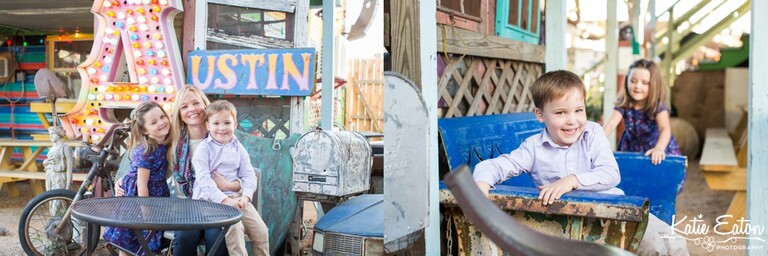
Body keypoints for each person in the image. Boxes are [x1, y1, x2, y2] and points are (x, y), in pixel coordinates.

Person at [473, 70, 689, 256]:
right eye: (560, 113)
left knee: (676, 242)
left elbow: (611, 174)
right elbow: (496, 166)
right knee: (655, 248)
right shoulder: (533, 148)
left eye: (578, 110)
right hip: (579, 225)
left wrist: (573, 180)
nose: (572, 120)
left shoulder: (592, 133)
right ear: (540, 115)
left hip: (615, 208)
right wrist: (481, 185)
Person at [116, 85, 239, 256]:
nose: (192, 109)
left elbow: (242, 174)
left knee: (217, 236)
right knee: (185, 236)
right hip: (187, 208)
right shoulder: (174, 142)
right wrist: (122, 181)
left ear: (205, 105)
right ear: (179, 114)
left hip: (218, 205)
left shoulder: (223, 136)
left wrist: (229, 185)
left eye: (196, 103)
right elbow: (144, 162)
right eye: (184, 106)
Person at [192, 100, 269, 256]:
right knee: (235, 229)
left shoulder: (238, 147)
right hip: (212, 202)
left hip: (239, 200)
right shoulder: (204, 149)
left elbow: (248, 174)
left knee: (262, 231)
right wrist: (225, 201)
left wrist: (246, 197)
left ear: (235, 124)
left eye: (227, 122)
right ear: (208, 125)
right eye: (216, 123)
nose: (222, 128)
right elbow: (204, 181)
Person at [103, 101, 172, 255]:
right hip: (138, 197)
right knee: (130, 238)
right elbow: (141, 184)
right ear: (145, 131)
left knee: (147, 243)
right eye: (154, 122)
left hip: (155, 194)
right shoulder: (145, 150)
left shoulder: (164, 142)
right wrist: (146, 213)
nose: (161, 123)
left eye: (162, 117)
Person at [603, 59, 682, 166]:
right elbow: (610, 125)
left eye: (644, 83)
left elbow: (665, 129)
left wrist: (659, 148)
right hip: (630, 148)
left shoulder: (657, 105)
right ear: (627, 81)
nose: (637, 86)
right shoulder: (624, 103)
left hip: (655, 149)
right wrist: (598, 142)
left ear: (654, 85)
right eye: (633, 81)